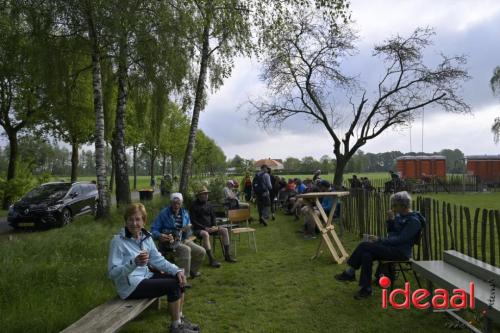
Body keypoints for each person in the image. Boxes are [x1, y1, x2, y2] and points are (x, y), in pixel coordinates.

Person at [108, 203, 199, 333]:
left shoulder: (146, 237)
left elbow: (158, 260)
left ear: (144, 221)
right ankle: (176, 327)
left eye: (138, 219)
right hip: (129, 286)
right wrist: (134, 263)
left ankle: (179, 320)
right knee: (173, 285)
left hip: (146, 277)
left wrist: (177, 270)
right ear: (125, 221)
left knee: (179, 278)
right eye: (130, 219)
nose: (134, 223)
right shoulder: (118, 241)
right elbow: (112, 273)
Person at [334, 191, 423, 300]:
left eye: (395, 205)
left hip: (400, 253)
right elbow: (392, 233)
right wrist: (390, 221)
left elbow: (401, 239)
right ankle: (366, 289)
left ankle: (350, 272)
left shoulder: (414, 221)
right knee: (366, 254)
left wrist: (380, 240)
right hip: (391, 249)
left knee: (364, 246)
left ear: (404, 205)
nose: (393, 207)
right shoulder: (401, 216)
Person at [151, 193, 206, 282]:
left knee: (201, 251)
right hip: (169, 243)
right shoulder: (164, 213)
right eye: (174, 203)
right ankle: (183, 278)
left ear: (181, 203)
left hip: (183, 240)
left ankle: (192, 271)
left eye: (178, 203)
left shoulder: (185, 213)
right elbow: (154, 230)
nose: (176, 205)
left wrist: (187, 230)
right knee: (186, 250)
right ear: (170, 203)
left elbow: (189, 233)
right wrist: (160, 235)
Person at [190, 186, 237, 267]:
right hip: (199, 229)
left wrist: (214, 226)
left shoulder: (209, 204)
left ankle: (227, 255)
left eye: (207, 194)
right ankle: (211, 259)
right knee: (205, 234)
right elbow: (193, 221)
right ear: (199, 195)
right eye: (204, 194)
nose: (206, 195)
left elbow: (213, 217)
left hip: (210, 228)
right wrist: (205, 228)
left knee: (224, 230)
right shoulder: (193, 206)